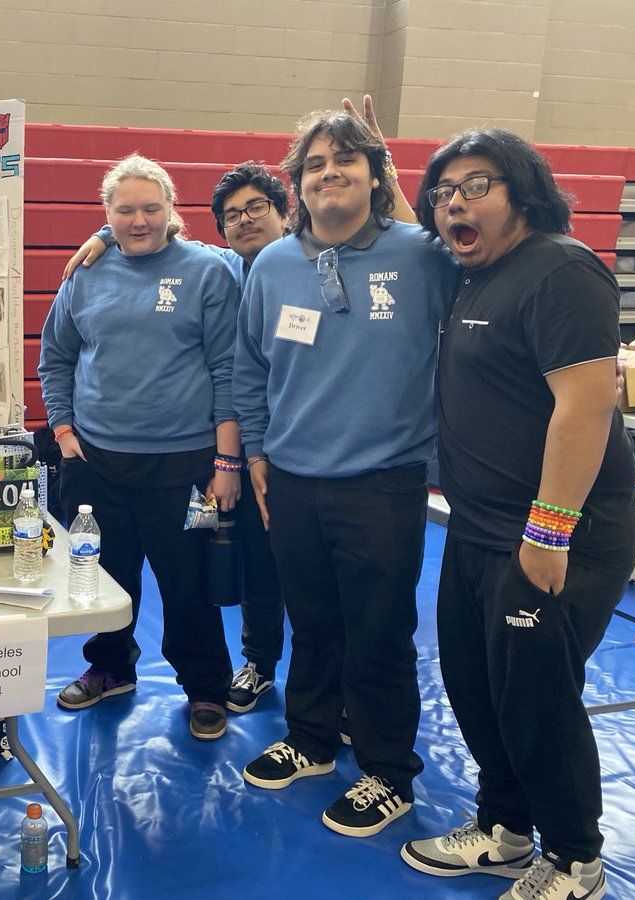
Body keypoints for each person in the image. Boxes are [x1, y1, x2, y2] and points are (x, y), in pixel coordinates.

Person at [63, 96, 418, 716]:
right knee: (209, 569)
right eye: (232, 214)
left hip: (241, 464)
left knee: (204, 578)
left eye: (258, 207)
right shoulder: (170, 269)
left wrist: (226, 461)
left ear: (287, 208)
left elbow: (415, 246)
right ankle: (182, 666)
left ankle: (235, 689)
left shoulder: (237, 267)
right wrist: (102, 233)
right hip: (202, 458)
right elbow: (65, 341)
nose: (246, 219)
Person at [400, 130, 635, 900]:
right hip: (476, 526)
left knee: (536, 699)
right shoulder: (475, 270)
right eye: (443, 193)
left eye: (475, 186)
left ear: (523, 191)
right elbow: (415, 222)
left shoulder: (561, 270)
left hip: (555, 535)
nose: (452, 205)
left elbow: (586, 404)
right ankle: (505, 828)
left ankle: (576, 861)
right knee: (475, 684)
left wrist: (549, 529)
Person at [233, 110, 459, 837]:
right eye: (316, 163)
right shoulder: (272, 265)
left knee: (380, 631)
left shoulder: (425, 255)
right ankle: (312, 738)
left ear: (376, 176)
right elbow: (250, 367)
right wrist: (259, 455)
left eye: (346, 161)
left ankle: (389, 772)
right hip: (293, 479)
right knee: (314, 621)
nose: (330, 172)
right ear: (297, 182)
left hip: (383, 482)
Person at [39, 154, 241, 741]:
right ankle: (109, 668)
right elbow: (57, 356)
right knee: (102, 577)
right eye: (124, 210)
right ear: (106, 213)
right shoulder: (85, 272)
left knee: (188, 584)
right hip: (95, 463)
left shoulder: (209, 271)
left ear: (172, 210)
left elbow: (228, 368)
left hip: (185, 468)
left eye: (151, 207)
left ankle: (205, 685)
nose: (138, 220)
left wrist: (226, 461)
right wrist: (63, 430)